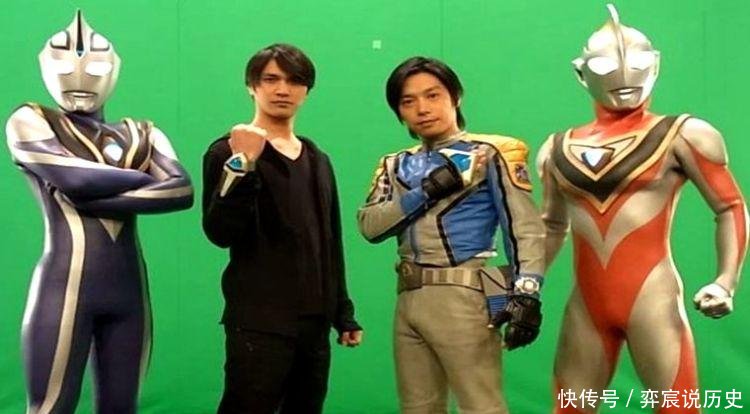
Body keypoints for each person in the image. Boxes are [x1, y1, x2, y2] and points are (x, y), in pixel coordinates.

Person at [537, 5, 747, 413]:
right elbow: (551, 226)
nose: (623, 75)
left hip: (653, 300)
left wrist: (726, 281)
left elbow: (730, 206)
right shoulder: (557, 148)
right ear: (581, 72)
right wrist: (525, 286)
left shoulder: (683, 134)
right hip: (587, 306)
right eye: (604, 64)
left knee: (677, 407)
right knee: (570, 407)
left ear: (655, 64)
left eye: (636, 62)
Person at [5, 11, 194, 413]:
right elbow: (74, 179)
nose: (80, 79)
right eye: (65, 68)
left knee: (122, 407)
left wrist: (95, 198)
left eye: (95, 68)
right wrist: (141, 177)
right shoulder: (31, 119)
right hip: (64, 288)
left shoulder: (142, 132)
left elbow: (181, 190)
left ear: (113, 69)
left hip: (129, 293)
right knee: (50, 406)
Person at [358, 56, 545, 414]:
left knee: (481, 405)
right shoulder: (394, 164)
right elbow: (370, 226)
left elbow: (523, 227)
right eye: (408, 101)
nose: (422, 109)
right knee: (417, 407)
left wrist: (527, 293)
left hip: (464, 294)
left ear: (455, 96)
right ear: (398, 111)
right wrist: (428, 190)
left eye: (433, 95)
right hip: (408, 296)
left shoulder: (490, 153)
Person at [202, 43, 363, 414]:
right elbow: (219, 232)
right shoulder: (226, 151)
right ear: (252, 86)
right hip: (258, 321)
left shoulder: (318, 160)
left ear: (306, 90)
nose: (282, 89)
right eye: (271, 79)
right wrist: (243, 163)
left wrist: (343, 312)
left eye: (294, 81)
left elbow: (330, 240)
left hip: (315, 323)